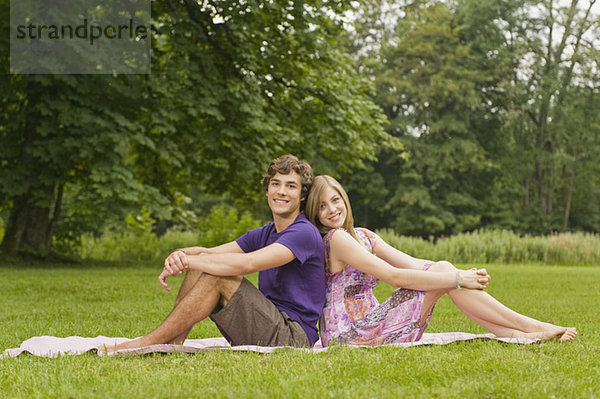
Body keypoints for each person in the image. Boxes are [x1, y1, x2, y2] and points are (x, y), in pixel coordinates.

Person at [305, 175, 577, 346]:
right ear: (314, 213)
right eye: (322, 206)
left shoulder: (364, 236)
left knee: (444, 270)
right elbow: (393, 277)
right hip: (349, 335)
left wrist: (456, 273)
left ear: (345, 199)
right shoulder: (335, 239)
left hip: (373, 321)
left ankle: (520, 334)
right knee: (447, 276)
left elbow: (412, 263)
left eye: (335, 200)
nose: (332, 210)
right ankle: (531, 327)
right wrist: (457, 278)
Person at [100, 155, 326, 353]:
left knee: (215, 273)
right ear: (267, 189)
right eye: (275, 183)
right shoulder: (267, 232)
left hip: (293, 337)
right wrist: (180, 254)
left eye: (291, 186)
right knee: (205, 264)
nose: (281, 191)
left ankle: (149, 342)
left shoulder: (303, 232)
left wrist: (192, 261)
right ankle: (173, 342)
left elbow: (248, 263)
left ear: (302, 195)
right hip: (269, 323)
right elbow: (209, 252)